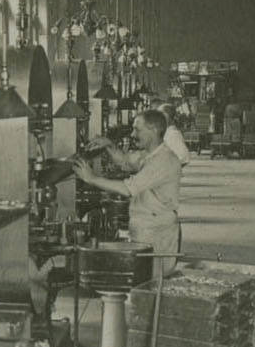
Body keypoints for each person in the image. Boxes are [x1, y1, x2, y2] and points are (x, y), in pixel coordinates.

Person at [74, 109, 183, 276]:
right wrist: (109, 145)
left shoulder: (163, 160)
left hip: (157, 232)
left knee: (152, 281)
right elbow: (125, 161)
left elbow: (127, 189)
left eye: (137, 129)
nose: (133, 134)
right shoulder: (151, 154)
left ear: (153, 130)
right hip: (147, 226)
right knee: (143, 280)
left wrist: (91, 178)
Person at [156, 100, 192, 165]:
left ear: (166, 116)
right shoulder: (166, 132)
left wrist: (171, 169)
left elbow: (184, 158)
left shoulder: (173, 134)